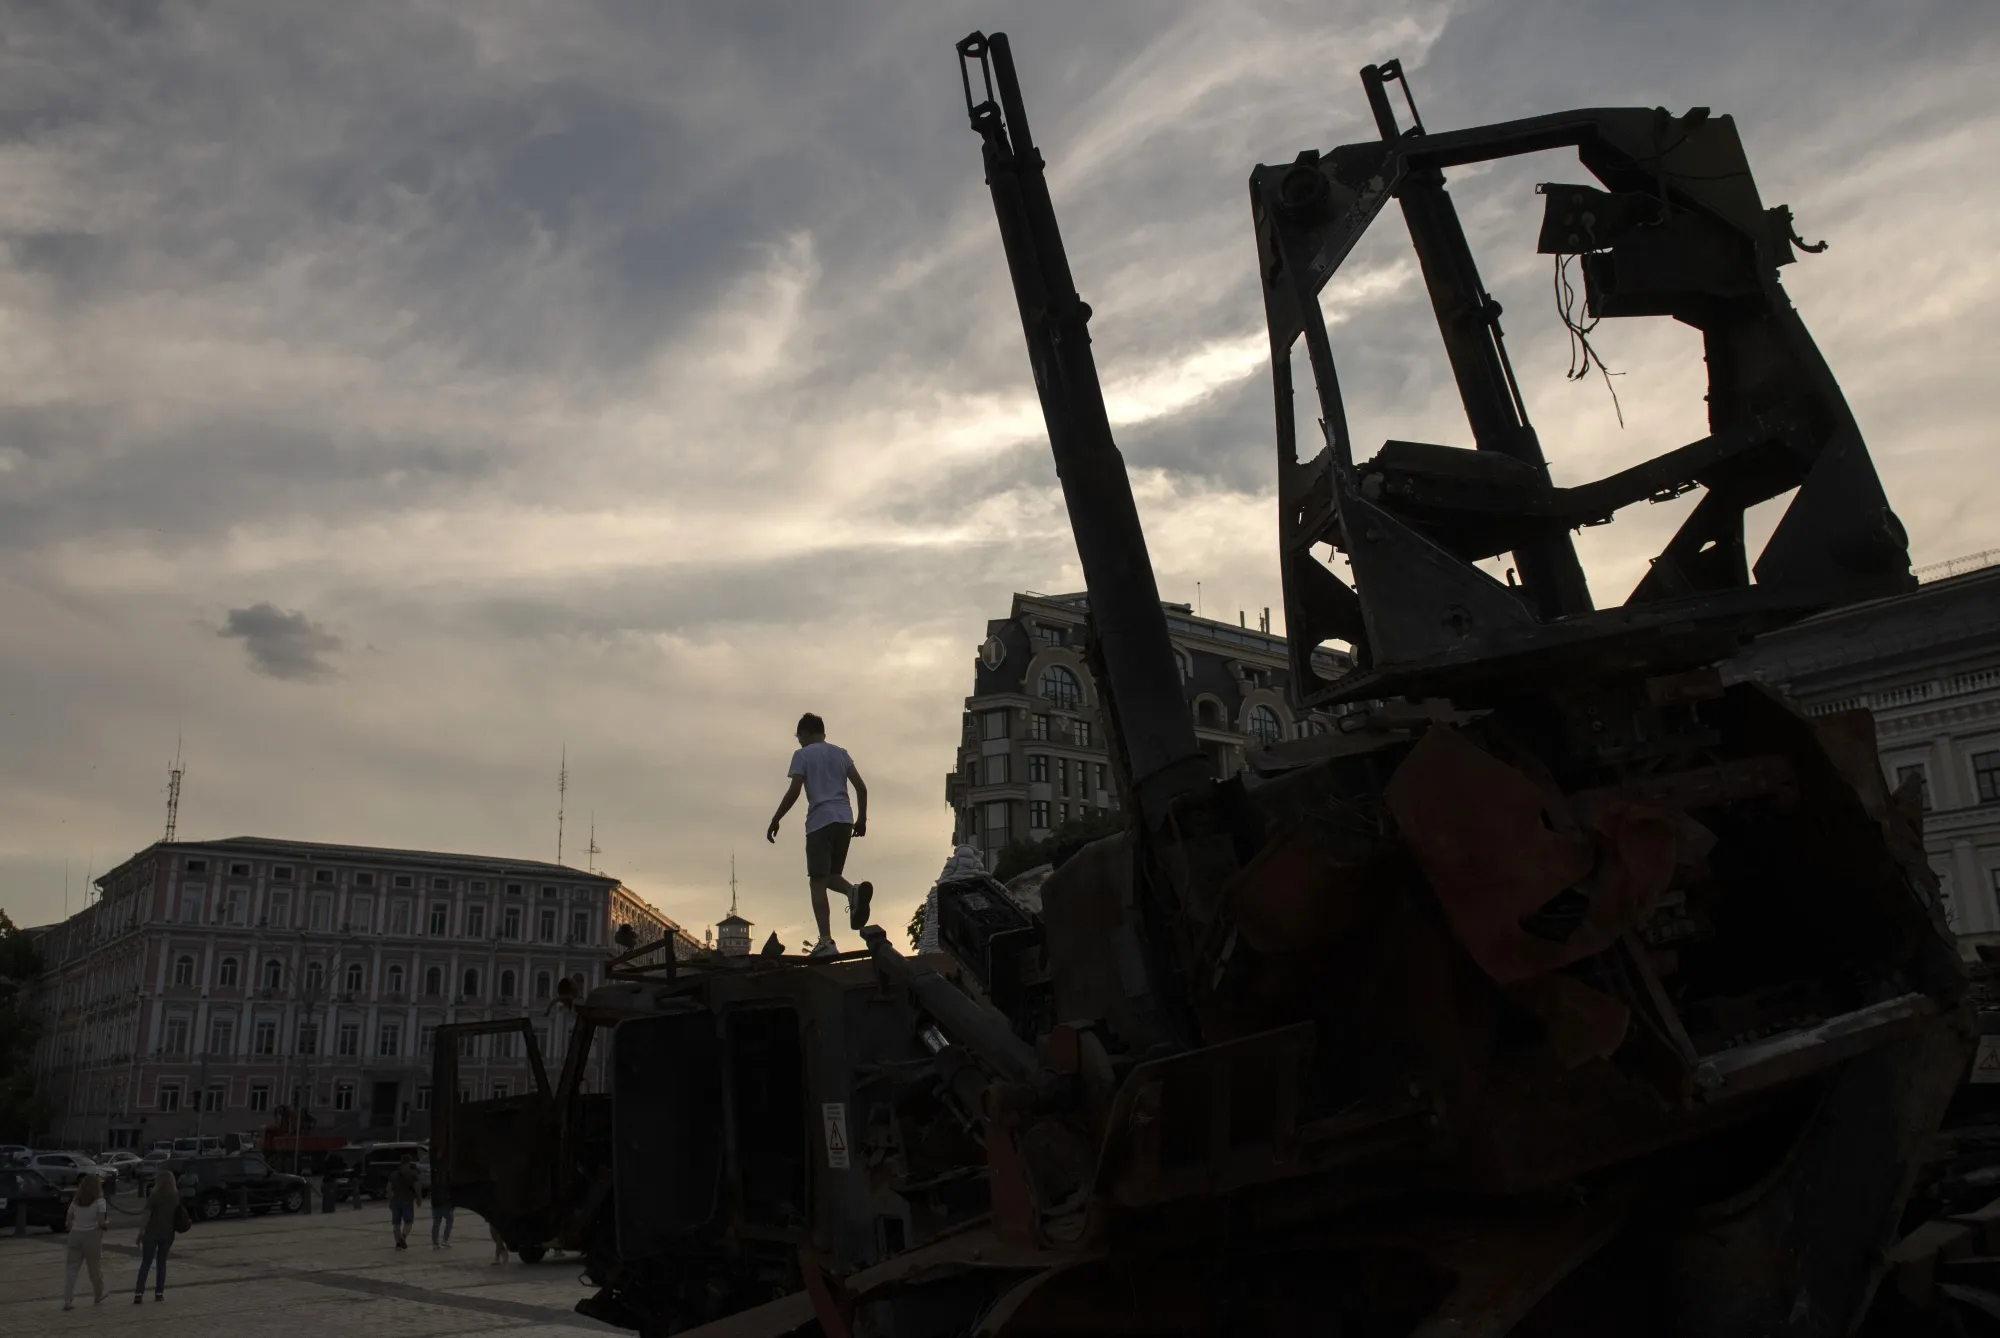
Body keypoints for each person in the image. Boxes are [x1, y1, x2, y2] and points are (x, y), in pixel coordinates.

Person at [765, 712, 874, 957]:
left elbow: (794, 791)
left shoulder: (802, 755)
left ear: (804, 733)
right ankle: (852, 892)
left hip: (820, 823)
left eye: (799, 737)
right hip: (845, 821)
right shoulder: (841, 753)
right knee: (831, 875)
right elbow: (862, 788)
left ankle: (826, 941)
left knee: (816, 881)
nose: (799, 742)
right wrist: (862, 819)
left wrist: (776, 818)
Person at [61, 1172, 108, 1309]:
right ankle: (98, 1294)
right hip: (91, 1235)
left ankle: (67, 1300)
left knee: (71, 1269)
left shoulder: (75, 1201)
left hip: (75, 1234)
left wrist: (77, 1224)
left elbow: (68, 1222)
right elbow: (101, 1222)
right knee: (94, 1267)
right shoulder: (100, 1202)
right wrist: (107, 1224)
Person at [134, 1169, 180, 1303]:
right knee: (162, 1263)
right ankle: (159, 1293)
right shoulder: (175, 1195)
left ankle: (139, 1293)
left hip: (152, 1233)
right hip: (168, 1233)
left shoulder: (155, 1195)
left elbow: (146, 1215)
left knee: (146, 1263)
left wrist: (140, 1232)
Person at [388, 1152, 420, 1250]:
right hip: (407, 1200)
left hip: (396, 1200)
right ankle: (403, 1236)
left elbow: (388, 1188)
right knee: (408, 1222)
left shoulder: (393, 1174)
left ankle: (398, 1244)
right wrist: (419, 1198)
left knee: (396, 1224)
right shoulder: (413, 1174)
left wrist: (390, 1200)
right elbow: (417, 1187)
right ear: (409, 1162)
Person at [429, 1177, 454, 1249]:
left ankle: (435, 1243)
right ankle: (445, 1240)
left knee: (436, 1224)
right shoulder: (448, 1185)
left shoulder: (435, 1185)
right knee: (449, 1222)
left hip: (436, 1206)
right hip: (445, 1206)